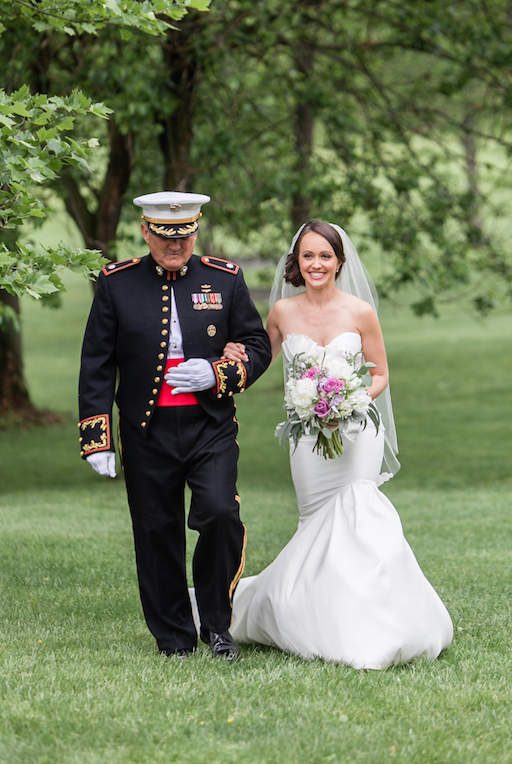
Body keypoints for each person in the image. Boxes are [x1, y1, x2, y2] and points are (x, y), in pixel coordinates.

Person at [221, 220, 453, 669]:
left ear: (340, 261)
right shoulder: (283, 314)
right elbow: (260, 357)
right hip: (306, 440)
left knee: (361, 518)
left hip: (357, 434)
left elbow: (381, 371)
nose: (316, 264)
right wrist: (236, 358)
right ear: (297, 263)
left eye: (325, 256)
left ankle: (381, 623)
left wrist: (354, 399)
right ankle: (311, 617)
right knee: (316, 526)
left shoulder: (360, 311)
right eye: (307, 256)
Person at [78, 191, 272, 661]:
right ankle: (174, 639)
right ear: (146, 232)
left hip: (210, 425)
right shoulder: (116, 283)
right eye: (165, 236)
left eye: (183, 235)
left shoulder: (224, 279)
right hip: (147, 429)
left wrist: (217, 374)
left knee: (221, 513)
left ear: (195, 231)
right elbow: (97, 364)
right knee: (155, 529)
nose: (175, 245)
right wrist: (96, 438)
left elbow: (257, 345)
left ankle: (218, 626)